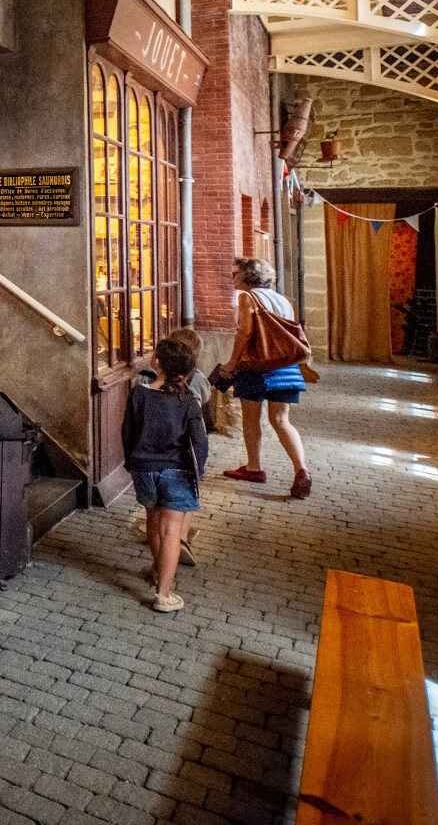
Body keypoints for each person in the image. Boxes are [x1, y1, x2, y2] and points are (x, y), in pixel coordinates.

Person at [122, 335, 209, 613]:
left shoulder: (139, 394)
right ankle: (164, 593)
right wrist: (198, 471)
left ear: (157, 362)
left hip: (144, 469)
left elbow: (127, 433)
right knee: (171, 531)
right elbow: (200, 441)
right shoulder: (188, 401)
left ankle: (158, 570)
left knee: (153, 520)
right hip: (177, 472)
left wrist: (131, 463)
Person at [214, 257, 311, 499]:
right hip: (285, 367)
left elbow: (245, 333)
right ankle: (301, 469)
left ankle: (254, 468)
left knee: (251, 419)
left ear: (248, 276)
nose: (232, 278)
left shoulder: (247, 298)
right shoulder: (282, 300)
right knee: (281, 420)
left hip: (256, 367)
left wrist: (232, 363)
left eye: (235, 274)